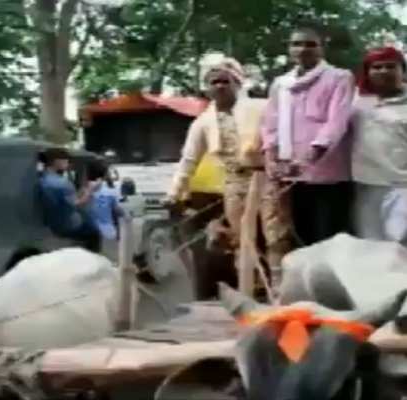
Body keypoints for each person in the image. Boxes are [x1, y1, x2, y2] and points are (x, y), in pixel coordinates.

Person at [165, 57, 293, 289]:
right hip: (233, 182)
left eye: (225, 81)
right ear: (208, 87)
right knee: (239, 237)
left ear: (238, 82)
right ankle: (250, 287)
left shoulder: (263, 107)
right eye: (214, 82)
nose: (220, 86)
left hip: (267, 178)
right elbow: (188, 160)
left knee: (276, 235)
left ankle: (279, 287)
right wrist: (174, 192)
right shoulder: (202, 123)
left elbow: (285, 138)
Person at [261, 24, 355, 246]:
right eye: (296, 44)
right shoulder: (281, 84)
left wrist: (308, 158)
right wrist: (270, 159)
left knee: (330, 240)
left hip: (329, 177)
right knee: (302, 238)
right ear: (289, 49)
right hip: (291, 177)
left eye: (310, 44)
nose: (303, 49)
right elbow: (269, 124)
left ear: (323, 48)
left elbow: (336, 122)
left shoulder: (339, 78)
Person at [351, 47, 407, 244]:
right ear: (367, 72)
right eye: (377, 67)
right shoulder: (358, 103)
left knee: (399, 242)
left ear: (403, 71)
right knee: (371, 245)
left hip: (401, 187)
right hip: (365, 184)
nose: (383, 71)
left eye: (390, 66)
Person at [38, 147, 102, 252]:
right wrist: (90, 190)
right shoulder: (61, 183)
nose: (68, 163)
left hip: (51, 222)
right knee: (94, 231)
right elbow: (77, 204)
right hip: (67, 225)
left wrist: (84, 190)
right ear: (57, 161)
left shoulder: (42, 179)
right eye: (66, 160)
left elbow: (66, 199)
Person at [86, 161, 123, 241]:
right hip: (107, 231)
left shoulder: (84, 188)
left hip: (87, 230)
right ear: (105, 173)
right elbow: (118, 210)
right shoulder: (112, 189)